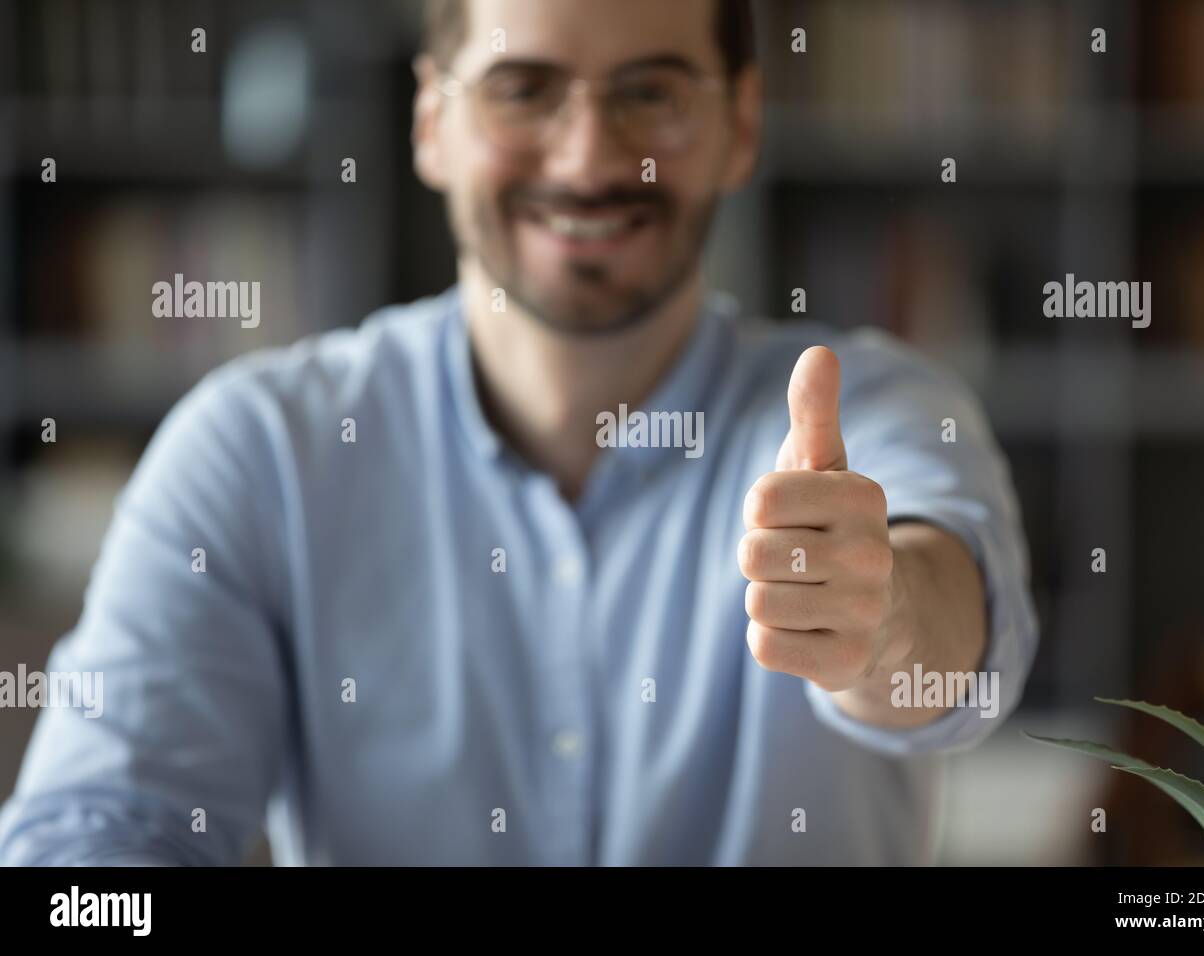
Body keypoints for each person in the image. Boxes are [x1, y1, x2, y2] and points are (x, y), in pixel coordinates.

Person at [0, 0, 1037, 865]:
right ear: (431, 121)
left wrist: (880, 621)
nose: (588, 158)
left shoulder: (877, 406)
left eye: (651, 91)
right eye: (523, 89)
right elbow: (90, 837)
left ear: (741, 124)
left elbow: (955, 646)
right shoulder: (257, 449)